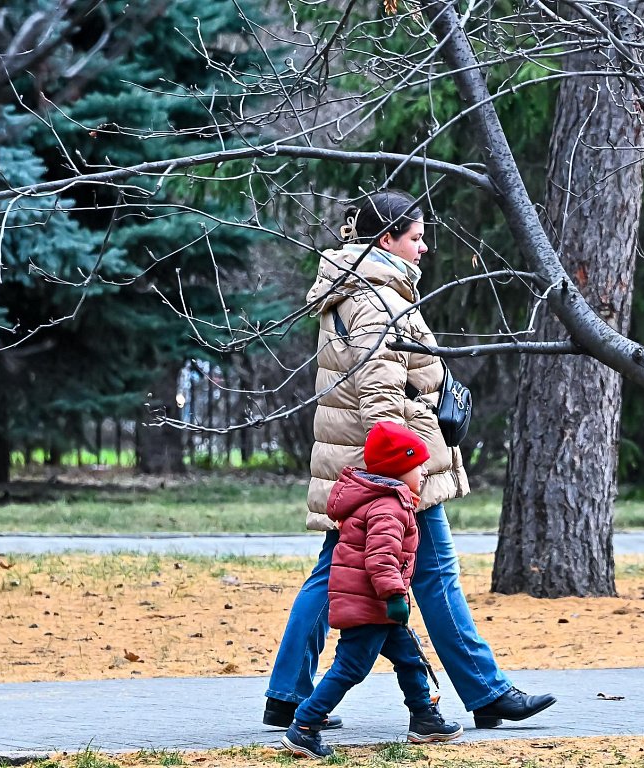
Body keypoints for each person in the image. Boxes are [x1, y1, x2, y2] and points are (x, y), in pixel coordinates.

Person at [264, 189, 556, 730]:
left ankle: (287, 694)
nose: (424, 248)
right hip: (392, 467)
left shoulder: (358, 289)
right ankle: (486, 691)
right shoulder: (376, 301)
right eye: (416, 238)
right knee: (436, 576)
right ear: (386, 239)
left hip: (361, 465)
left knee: (332, 575)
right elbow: (380, 398)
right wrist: (402, 475)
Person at [281, 421, 463, 759]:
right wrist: (393, 596)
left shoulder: (387, 501)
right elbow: (381, 558)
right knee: (351, 668)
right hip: (370, 606)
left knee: (410, 657)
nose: (423, 472)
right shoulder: (387, 508)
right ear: (397, 469)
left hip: (375, 605)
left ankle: (424, 717)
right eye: (417, 466)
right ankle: (304, 726)